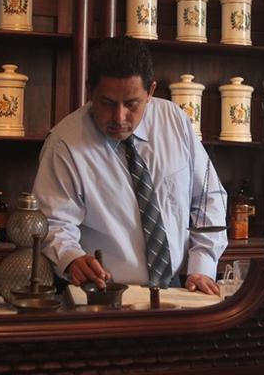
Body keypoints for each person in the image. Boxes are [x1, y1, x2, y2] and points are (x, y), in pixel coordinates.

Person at [32, 36, 227, 295]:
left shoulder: (175, 121)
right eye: (107, 103)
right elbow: (53, 224)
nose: (119, 117)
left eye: (131, 104)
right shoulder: (64, 144)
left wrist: (202, 264)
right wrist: (72, 259)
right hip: (103, 293)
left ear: (151, 91)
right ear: (90, 90)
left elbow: (207, 198)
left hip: (179, 289)